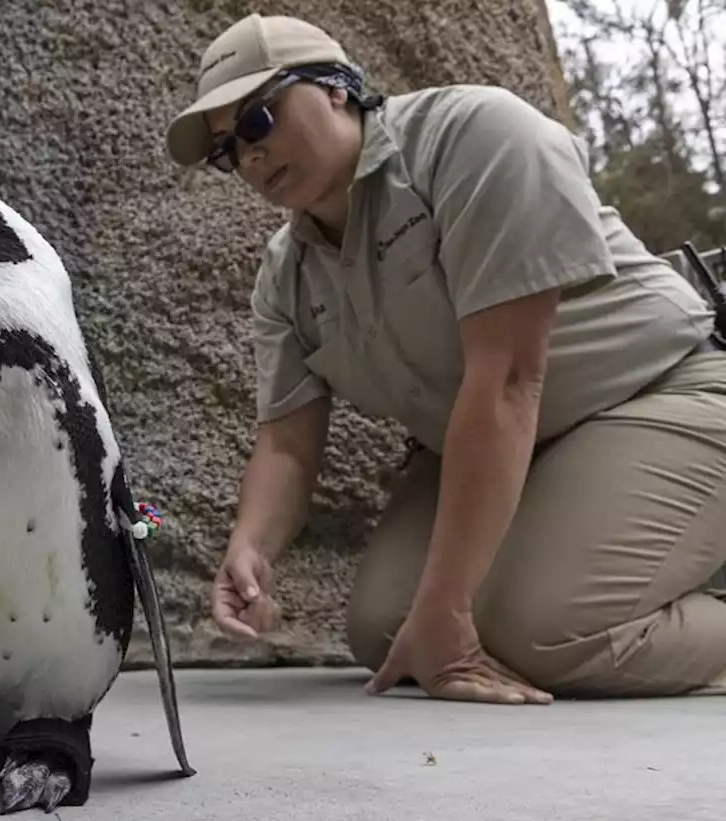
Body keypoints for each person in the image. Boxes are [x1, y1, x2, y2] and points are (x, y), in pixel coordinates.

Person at [164, 13, 726, 704]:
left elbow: (511, 378)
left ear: (337, 88)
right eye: (227, 150)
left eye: (258, 120)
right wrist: (251, 548)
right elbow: (286, 442)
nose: (248, 156)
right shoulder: (286, 276)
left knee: (542, 629)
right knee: (386, 629)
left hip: (661, 391)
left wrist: (450, 612)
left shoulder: (476, 138)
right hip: (526, 444)